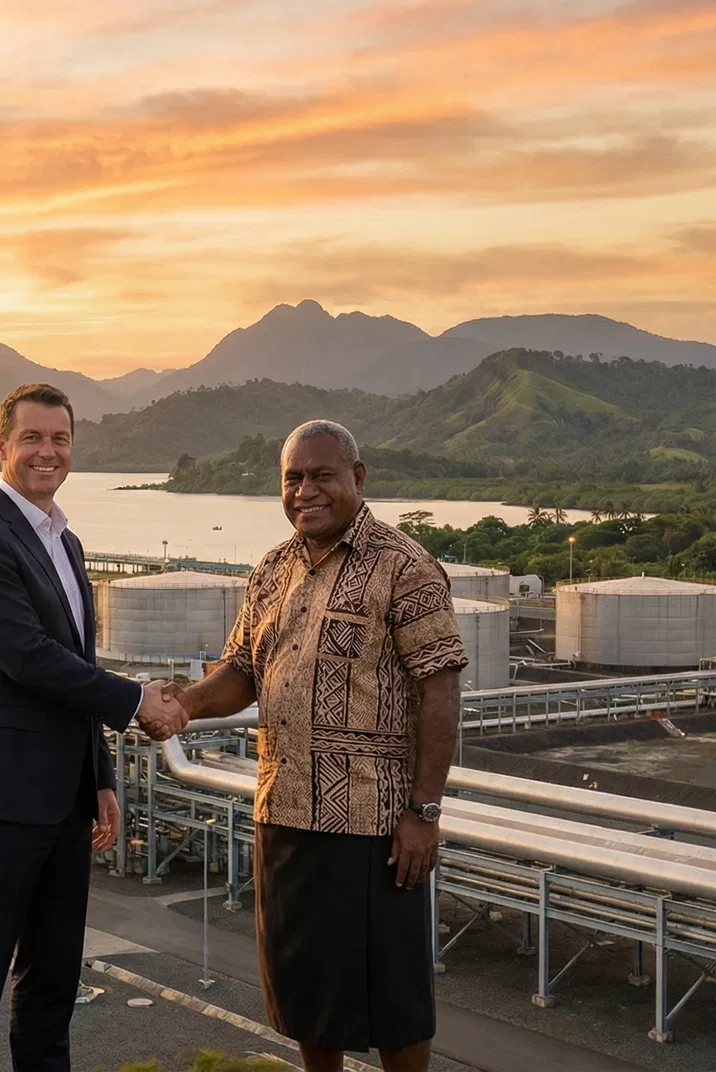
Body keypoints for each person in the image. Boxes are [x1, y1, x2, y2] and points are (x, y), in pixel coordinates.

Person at [168, 419, 463, 1072]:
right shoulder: (273, 568)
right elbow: (242, 671)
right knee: (303, 987)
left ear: (357, 478)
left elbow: (441, 691)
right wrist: (184, 703)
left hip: (376, 824)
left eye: (322, 475)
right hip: (286, 810)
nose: (307, 490)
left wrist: (425, 812)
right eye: (293, 478)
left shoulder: (404, 567)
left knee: (394, 995)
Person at [0, 383, 187, 1072]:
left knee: (51, 984)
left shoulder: (65, 542)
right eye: (33, 438)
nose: (48, 452)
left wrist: (99, 776)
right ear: (2, 446)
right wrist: (138, 700)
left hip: (65, 799)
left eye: (60, 439)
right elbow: (26, 658)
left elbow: (78, 663)